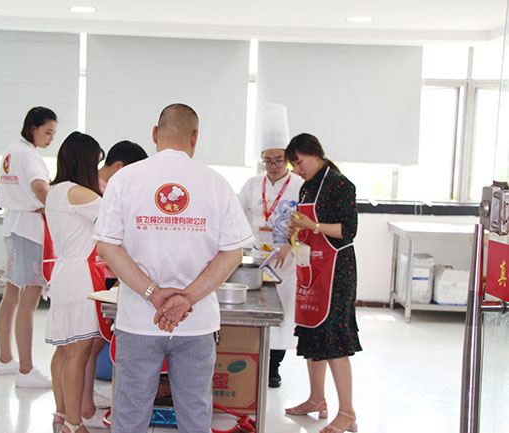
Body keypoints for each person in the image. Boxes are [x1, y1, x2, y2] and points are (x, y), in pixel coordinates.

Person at [93, 103, 254, 433]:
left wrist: (153, 294)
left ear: (155, 133)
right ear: (195, 138)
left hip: (138, 319)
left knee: (130, 414)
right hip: (196, 321)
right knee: (195, 415)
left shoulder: (124, 179)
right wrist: (186, 298)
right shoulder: (215, 183)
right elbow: (232, 253)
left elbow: (107, 246)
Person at [283, 133, 361, 433]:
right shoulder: (307, 186)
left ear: (314, 154)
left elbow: (348, 230)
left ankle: (347, 412)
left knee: (334, 338)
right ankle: (316, 399)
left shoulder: (341, 185)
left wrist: (312, 225)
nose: (296, 169)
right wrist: (295, 230)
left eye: (298, 162)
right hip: (312, 267)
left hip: (337, 271)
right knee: (313, 331)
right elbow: (304, 225)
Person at [80, 140, 149, 428]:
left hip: (104, 270)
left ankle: (86, 401)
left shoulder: (98, 186)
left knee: (94, 342)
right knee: (91, 342)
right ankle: (84, 408)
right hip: (101, 272)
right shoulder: (101, 191)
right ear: (120, 167)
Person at [44, 131, 106, 433]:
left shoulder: (55, 191)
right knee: (78, 354)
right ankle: (73, 422)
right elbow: (116, 217)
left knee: (64, 350)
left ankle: (61, 414)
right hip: (81, 276)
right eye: (95, 163)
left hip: (62, 272)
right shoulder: (79, 193)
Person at [237, 103, 303, 388]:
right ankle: (254, 362)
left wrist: (291, 244)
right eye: (268, 161)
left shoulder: (299, 185)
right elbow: (236, 213)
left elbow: (308, 223)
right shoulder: (253, 184)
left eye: (278, 160)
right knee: (255, 311)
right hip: (256, 259)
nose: (273, 166)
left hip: (286, 260)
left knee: (283, 315)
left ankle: (274, 367)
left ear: (287, 160)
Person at [0, 106, 56, 388]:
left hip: (12, 226)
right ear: (34, 129)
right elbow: (40, 187)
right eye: (48, 132)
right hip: (28, 231)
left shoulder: (12, 151)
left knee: (11, 295)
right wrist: (56, 208)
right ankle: (26, 371)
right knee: (28, 301)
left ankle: (6, 360)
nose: (50, 138)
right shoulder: (29, 155)